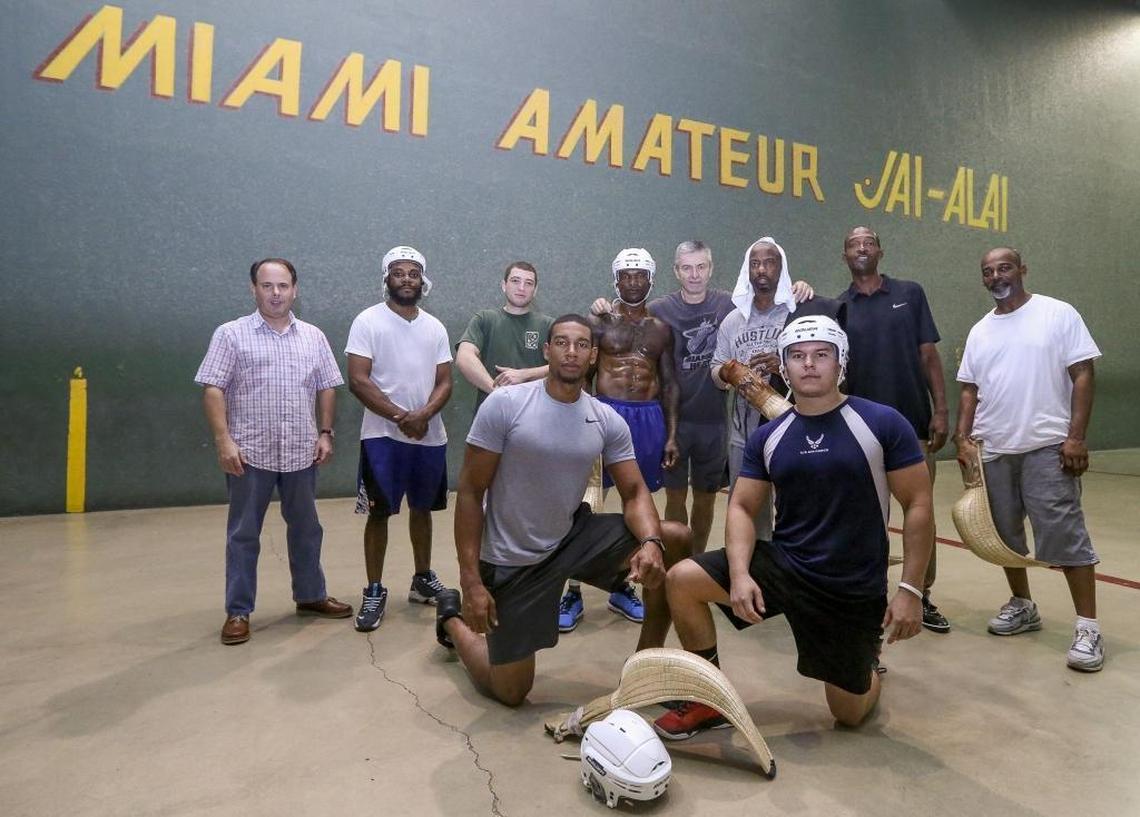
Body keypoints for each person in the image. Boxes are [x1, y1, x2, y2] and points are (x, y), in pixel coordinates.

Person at [654, 315, 933, 737]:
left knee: (849, 714)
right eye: (798, 356)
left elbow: (918, 504)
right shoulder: (769, 435)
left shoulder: (882, 423)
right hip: (786, 565)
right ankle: (706, 699)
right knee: (682, 579)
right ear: (783, 368)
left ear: (841, 364)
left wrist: (910, 590)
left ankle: (864, 659)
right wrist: (741, 573)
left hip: (850, 584)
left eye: (822, 355)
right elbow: (743, 507)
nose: (809, 364)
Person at [433, 315, 690, 705]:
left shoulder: (605, 419)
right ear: (547, 350)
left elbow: (635, 490)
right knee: (512, 692)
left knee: (674, 538)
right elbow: (470, 493)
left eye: (582, 344)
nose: (572, 351)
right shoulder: (506, 405)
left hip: (570, 537)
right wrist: (471, 583)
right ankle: (451, 620)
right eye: (562, 342)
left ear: (593, 356)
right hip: (512, 558)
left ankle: (644, 664)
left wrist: (651, 543)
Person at [955, 247, 1104, 672]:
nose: (996, 276)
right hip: (994, 450)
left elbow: (1083, 373)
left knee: (1064, 535)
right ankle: (1023, 605)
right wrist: (964, 440)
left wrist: (1075, 437)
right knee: (1004, 538)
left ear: (1022, 270)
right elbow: (969, 388)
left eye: (1004, 268)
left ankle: (1088, 627)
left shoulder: (1058, 314)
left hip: (1047, 447)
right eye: (988, 271)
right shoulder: (981, 331)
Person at [195, 258, 352, 645]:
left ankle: (311, 595)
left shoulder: (313, 336)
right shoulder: (231, 335)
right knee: (244, 534)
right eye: (267, 286)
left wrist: (326, 432)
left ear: (295, 289)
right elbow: (213, 388)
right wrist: (223, 441)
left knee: (306, 528)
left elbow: (328, 385)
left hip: (301, 451)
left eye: (282, 286)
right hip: (249, 455)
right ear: (254, 289)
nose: (276, 293)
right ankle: (238, 611)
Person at [558, 248, 679, 634]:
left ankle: (622, 585)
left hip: (647, 418)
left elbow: (671, 384)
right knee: (585, 503)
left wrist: (672, 434)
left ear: (651, 280)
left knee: (636, 502)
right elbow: (579, 373)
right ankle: (573, 590)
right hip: (603, 413)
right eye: (625, 275)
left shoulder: (661, 329)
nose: (632, 281)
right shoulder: (598, 325)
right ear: (615, 280)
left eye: (640, 275)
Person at [837, 227, 951, 633]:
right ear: (845, 255)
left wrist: (940, 410)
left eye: (868, 242)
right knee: (866, 518)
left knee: (919, 512)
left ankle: (921, 594)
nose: (862, 248)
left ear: (880, 251)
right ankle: (870, 596)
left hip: (913, 425)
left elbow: (929, 356)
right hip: (860, 432)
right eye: (854, 244)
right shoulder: (840, 308)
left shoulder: (911, 293)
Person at [345, 246, 453, 632]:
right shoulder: (367, 321)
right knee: (379, 511)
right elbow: (358, 379)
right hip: (381, 437)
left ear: (422, 280)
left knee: (422, 509)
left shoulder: (435, 327)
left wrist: (423, 416)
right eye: (398, 272)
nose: (406, 279)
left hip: (429, 435)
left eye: (413, 273)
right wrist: (399, 417)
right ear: (386, 278)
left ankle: (422, 578)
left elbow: (445, 381)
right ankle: (374, 588)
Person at [709, 237, 800, 540]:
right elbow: (715, 370)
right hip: (744, 433)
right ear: (747, 270)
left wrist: (783, 365)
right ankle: (754, 569)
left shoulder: (796, 314)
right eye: (755, 263)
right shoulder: (733, 321)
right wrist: (730, 371)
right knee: (748, 507)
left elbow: (822, 364)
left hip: (793, 429)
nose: (762, 269)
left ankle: (792, 565)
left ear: (781, 268)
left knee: (795, 503)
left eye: (769, 262)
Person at [454, 261, 553, 406]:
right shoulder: (485, 319)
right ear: (503, 285)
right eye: (515, 281)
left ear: (535, 290)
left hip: (535, 415)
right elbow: (464, 357)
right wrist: (498, 393)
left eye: (528, 283)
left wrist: (525, 374)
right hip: (491, 414)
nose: (521, 288)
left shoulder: (549, 325)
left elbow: (566, 365)